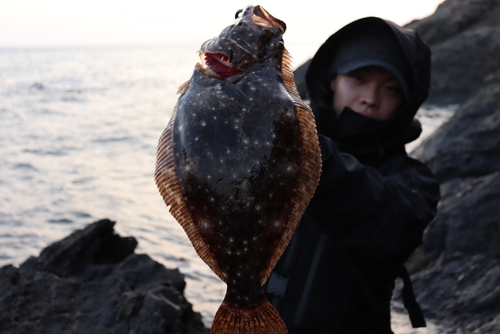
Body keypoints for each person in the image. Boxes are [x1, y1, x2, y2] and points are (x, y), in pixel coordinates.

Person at [263, 17, 440, 333]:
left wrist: (307, 146)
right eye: (358, 77)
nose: (370, 98)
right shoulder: (273, 146)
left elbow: (387, 218)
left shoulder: (415, 183)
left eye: (391, 88)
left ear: (406, 102)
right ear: (332, 78)